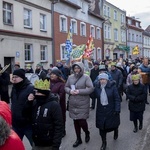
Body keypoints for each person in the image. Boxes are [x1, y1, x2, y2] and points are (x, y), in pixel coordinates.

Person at [23, 79, 64, 150]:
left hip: (49, 144)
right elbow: (25, 115)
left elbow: (59, 126)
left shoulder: (54, 105)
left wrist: (56, 145)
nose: (35, 94)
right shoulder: (35, 102)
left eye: (37, 92)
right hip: (36, 142)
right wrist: (28, 103)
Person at [65, 62, 94, 148]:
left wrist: (79, 91)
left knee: (82, 121)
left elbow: (91, 88)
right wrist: (70, 91)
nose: (76, 70)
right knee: (75, 121)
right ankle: (78, 139)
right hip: (73, 102)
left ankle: (86, 132)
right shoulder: (70, 77)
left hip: (83, 102)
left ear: (81, 69)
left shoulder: (86, 77)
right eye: (75, 68)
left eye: (78, 68)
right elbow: (66, 87)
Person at [94, 73, 121, 150]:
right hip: (101, 110)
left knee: (113, 124)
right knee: (101, 127)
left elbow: (117, 99)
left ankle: (116, 130)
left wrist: (117, 109)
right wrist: (90, 87)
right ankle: (104, 142)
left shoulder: (112, 87)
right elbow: (93, 96)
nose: (102, 81)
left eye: (104, 79)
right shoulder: (97, 87)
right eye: (101, 79)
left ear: (107, 80)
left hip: (111, 109)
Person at [11, 68, 34, 146]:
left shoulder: (30, 88)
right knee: (15, 145)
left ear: (22, 77)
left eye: (16, 77)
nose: (14, 79)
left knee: (34, 144)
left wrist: (31, 100)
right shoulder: (14, 88)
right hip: (16, 124)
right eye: (13, 77)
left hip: (27, 123)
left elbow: (34, 105)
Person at [50, 69, 66, 137]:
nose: (52, 75)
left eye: (54, 74)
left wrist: (50, 97)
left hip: (60, 105)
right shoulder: (48, 82)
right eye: (51, 74)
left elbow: (61, 95)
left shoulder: (61, 84)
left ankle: (62, 131)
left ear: (58, 76)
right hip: (50, 104)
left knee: (61, 118)